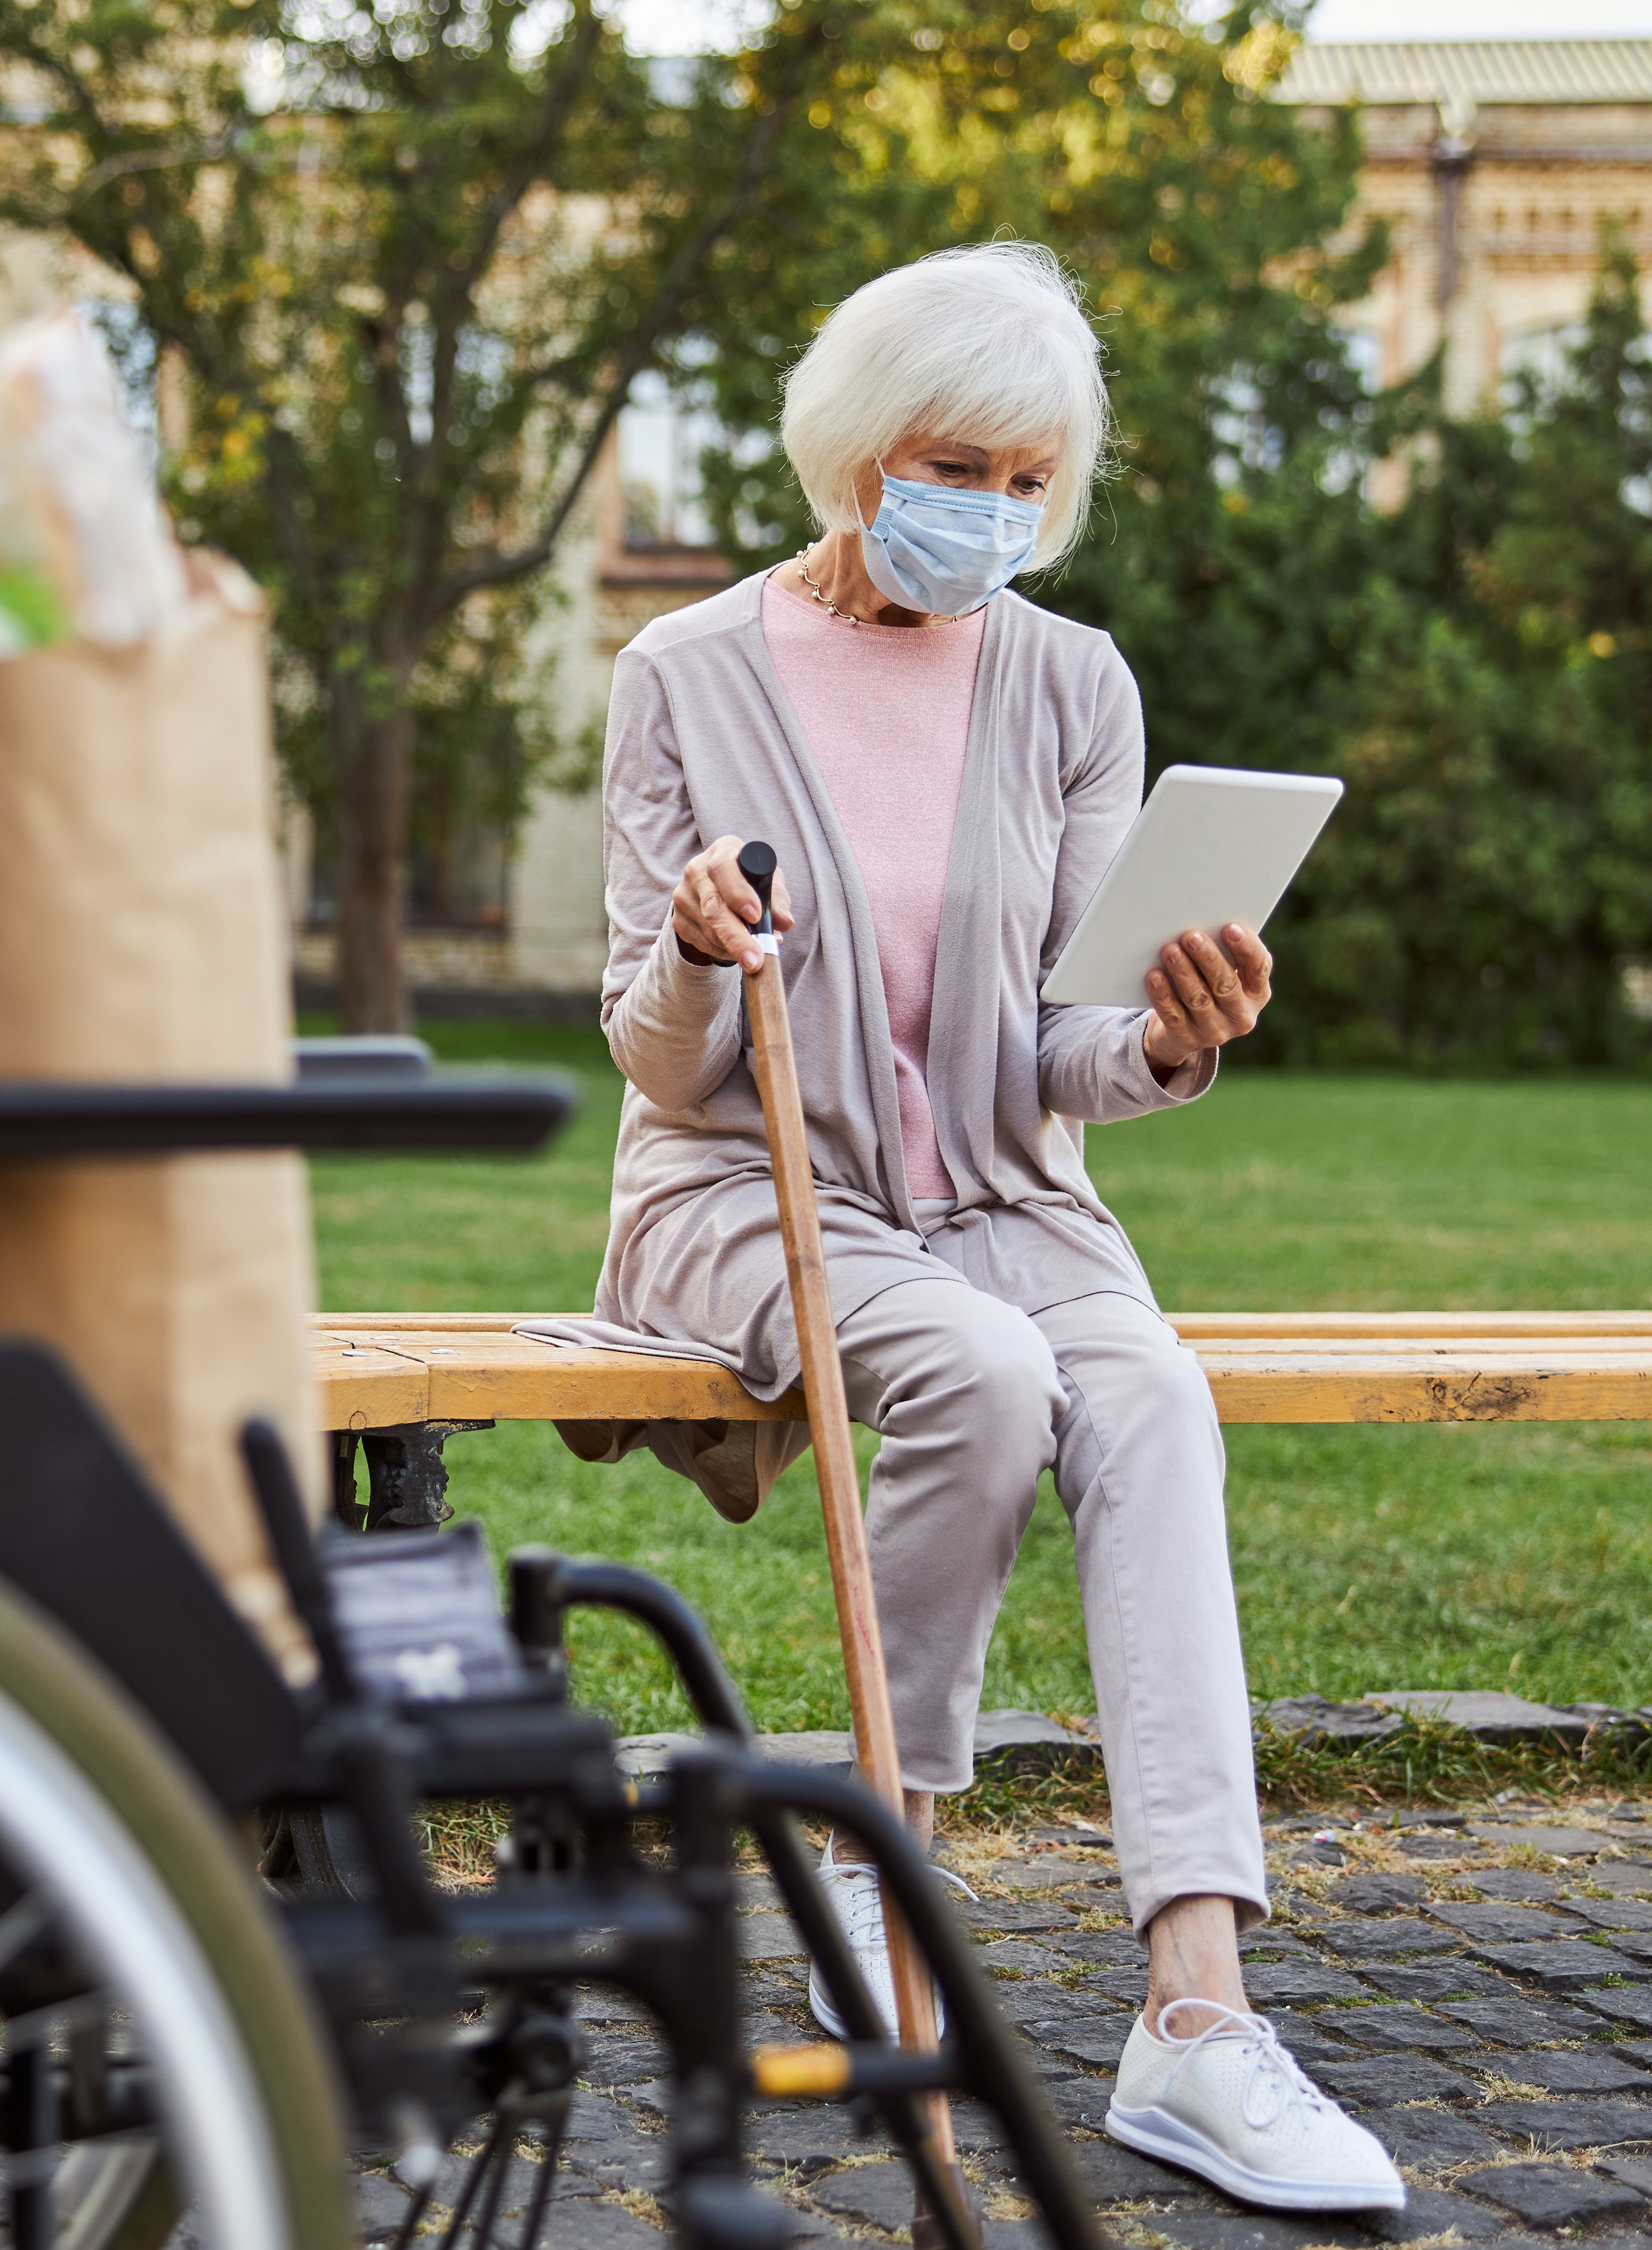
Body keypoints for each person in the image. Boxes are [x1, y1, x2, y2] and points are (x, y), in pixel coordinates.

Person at [567, 244, 1403, 2216]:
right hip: (749, 1185)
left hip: (1011, 1191)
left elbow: (1068, 1039)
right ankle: (883, 1845)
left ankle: (1198, 2017)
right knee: (983, 1365)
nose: (998, 517)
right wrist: (696, 952)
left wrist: (1177, 1034)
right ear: (860, 454)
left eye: (1033, 482)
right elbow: (657, 1053)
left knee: (1150, 1404)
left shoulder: (1069, 679)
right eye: (963, 466)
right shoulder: (682, 671)